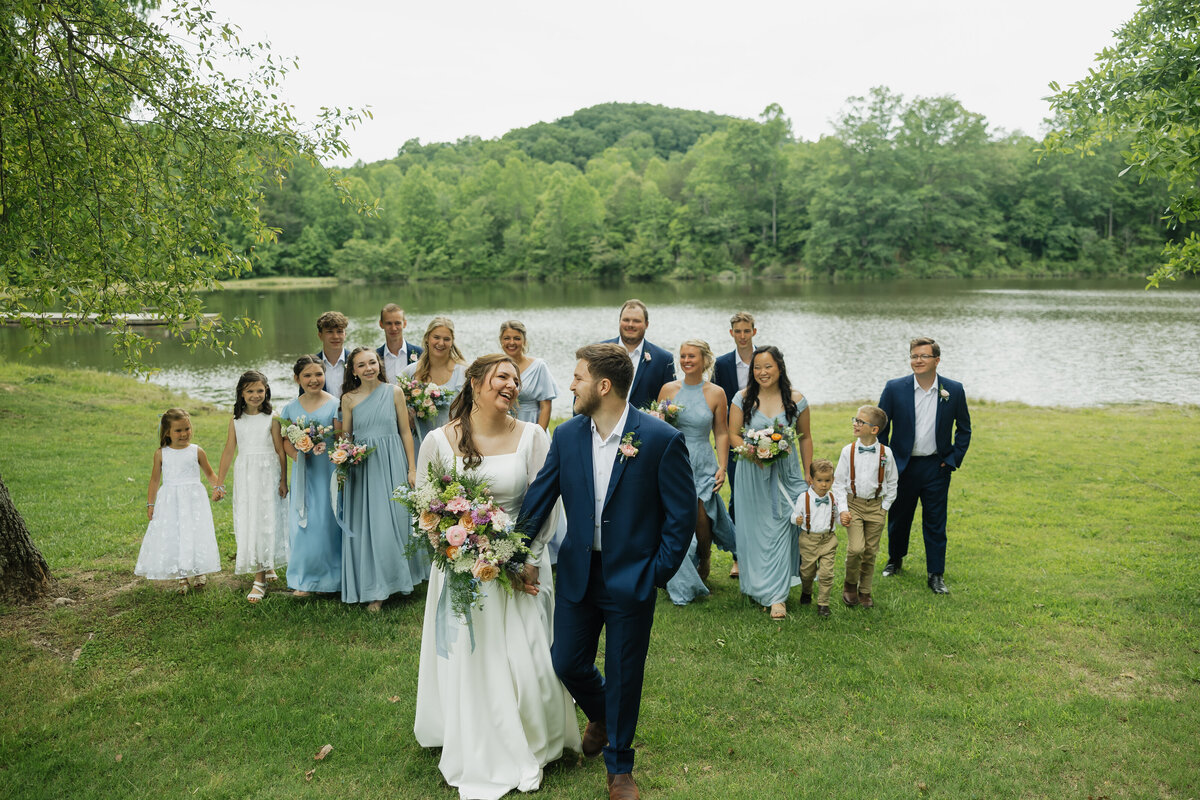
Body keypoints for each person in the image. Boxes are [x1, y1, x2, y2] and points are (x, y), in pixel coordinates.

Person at [518, 343, 695, 800]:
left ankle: (620, 769)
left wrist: (656, 573)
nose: (571, 385)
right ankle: (601, 714)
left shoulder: (658, 439)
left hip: (631, 576)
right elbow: (542, 495)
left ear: (602, 385)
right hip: (579, 569)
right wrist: (513, 550)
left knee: (623, 671)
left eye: (577, 377)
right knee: (567, 661)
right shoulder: (568, 434)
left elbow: (681, 518)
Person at [413, 354, 580, 800]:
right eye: (502, 377)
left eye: (517, 379)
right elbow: (427, 506)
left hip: (523, 563)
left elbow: (546, 503)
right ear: (474, 381)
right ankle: (470, 728)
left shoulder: (533, 435)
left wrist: (526, 557)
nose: (512, 385)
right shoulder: (438, 440)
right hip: (464, 568)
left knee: (527, 658)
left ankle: (534, 733)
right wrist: (456, 550)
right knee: (474, 654)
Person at [878, 337, 972, 595]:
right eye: (913, 356)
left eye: (923, 356)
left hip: (936, 466)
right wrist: (886, 459)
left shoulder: (953, 390)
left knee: (935, 521)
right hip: (903, 466)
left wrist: (952, 460)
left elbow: (964, 429)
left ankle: (936, 574)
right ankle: (894, 560)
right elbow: (880, 427)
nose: (917, 360)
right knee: (899, 517)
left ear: (936, 360)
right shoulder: (895, 388)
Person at [339, 347, 427, 610]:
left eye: (372, 362)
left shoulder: (394, 392)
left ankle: (400, 579)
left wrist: (412, 469)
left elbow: (405, 432)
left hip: (392, 461)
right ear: (353, 370)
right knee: (371, 523)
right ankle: (376, 587)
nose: (368, 368)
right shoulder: (348, 399)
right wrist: (344, 459)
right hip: (364, 466)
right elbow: (346, 436)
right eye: (361, 365)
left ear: (379, 364)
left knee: (397, 521)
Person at [728, 346, 813, 620]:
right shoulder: (742, 399)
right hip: (751, 472)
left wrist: (809, 473)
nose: (762, 372)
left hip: (786, 473)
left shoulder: (796, 399)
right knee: (756, 531)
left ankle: (777, 596)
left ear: (779, 368)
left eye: (768, 367)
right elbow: (733, 435)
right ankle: (758, 586)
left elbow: (806, 437)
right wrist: (755, 453)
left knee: (782, 527)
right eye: (757, 367)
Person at [656, 339, 734, 598]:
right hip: (674, 459)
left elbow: (721, 431)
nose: (686, 360)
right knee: (676, 516)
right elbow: (658, 426)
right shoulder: (668, 389)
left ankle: (705, 557)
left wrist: (722, 465)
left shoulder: (716, 393)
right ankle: (674, 568)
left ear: (704, 360)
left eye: (692, 356)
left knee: (702, 515)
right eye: (683, 356)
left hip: (702, 460)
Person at [214, 370, 289, 603]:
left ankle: (262, 574)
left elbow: (279, 450)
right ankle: (263, 569)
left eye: (260, 390)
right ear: (241, 394)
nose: (256, 395)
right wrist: (219, 482)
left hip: (268, 473)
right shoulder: (236, 420)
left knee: (267, 520)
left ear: (266, 391)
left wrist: (283, 479)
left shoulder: (273, 417)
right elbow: (229, 451)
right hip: (247, 474)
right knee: (253, 520)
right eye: (250, 391)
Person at [135, 408, 221, 594]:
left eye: (187, 429)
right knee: (176, 534)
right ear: (167, 432)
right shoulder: (161, 454)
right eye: (178, 430)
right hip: (170, 501)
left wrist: (217, 487)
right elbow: (155, 480)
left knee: (195, 532)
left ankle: (200, 571)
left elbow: (210, 473)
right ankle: (182, 577)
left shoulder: (197, 451)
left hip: (194, 500)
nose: (184, 434)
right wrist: (151, 504)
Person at [279, 356, 341, 597]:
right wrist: (299, 452)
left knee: (327, 522)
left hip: (328, 470)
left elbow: (340, 439)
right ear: (297, 379)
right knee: (304, 524)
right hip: (305, 472)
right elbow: (285, 440)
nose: (314, 380)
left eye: (318, 374)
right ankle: (304, 580)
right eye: (307, 375)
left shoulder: (335, 404)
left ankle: (332, 579)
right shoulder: (290, 408)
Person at [832, 406, 897, 609]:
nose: (855, 424)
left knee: (870, 551)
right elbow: (839, 483)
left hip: (876, 507)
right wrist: (843, 509)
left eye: (861, 422)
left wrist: (884, 507)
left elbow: (893, 482)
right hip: (854, 506)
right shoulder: (848, 451)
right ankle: (850, 584)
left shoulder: (886, 453)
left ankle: (865, 590)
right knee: (856, 548)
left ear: (874, 429)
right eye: (856, 420)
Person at [712, 311, 756, 578]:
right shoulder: (722, 364)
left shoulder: (767, 358)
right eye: (737, 331)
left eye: (746, 331)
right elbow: (718, 403)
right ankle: (739, 555)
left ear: (754, 331)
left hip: (765, 432)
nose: (742, 336)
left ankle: (762, 549)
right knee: (738, 495)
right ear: (731, 333)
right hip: (733, 435)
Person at [401, 316, 467, 447]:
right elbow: (395, 404)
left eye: (446, 339)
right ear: (427, 338)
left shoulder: (463, 373)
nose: (441, 343)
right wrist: (406, 413)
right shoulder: (410, 371)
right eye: (436, 337)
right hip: (418, 443)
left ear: (452, 342)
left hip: (453, 443)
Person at [602, 299, 675, 411]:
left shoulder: (664, 360)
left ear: (646, 324)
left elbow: (669, 405)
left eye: (636, 321)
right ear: (619, 321)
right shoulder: (600, 351)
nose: (630, 325)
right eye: (626, 320)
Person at [792, 459, 839, 618]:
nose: (824, 485)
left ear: (832, 480)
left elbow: (837, 516)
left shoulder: (832, 497)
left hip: (828, 539)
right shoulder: (803, 498)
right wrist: (795, 519)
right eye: (820, 480)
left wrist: (843, 518)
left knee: (826, 573)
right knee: (807, 572)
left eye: (827, 480)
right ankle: (807, 590)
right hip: (808, 540)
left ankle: (823, 604)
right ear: (811, 480)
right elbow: (794, 514)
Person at [499, 320, 557, 429]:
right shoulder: (496, 367)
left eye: (517, 338)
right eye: (507, 338)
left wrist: (538, 435)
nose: (511, 342)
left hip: (531, 423)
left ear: (524, 341)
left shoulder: (539, 366)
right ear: (501, 341)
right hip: (505, 426)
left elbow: (545, 406)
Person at [376, 303, 423, 384]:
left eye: (397, 323)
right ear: (381, 324)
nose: (393, 328)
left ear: (404, 324)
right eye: (389, 323)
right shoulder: (375, 356)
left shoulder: (420, 353)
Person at [311, 311, 350, 398]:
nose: (335, 336)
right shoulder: (310, 365)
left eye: (339, 331)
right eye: (330, 332)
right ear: (320, 335)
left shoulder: (356, 361)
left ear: (345, 334)